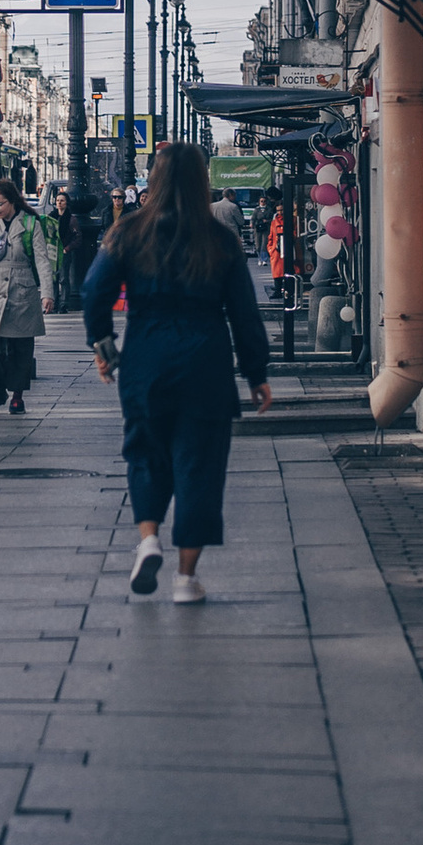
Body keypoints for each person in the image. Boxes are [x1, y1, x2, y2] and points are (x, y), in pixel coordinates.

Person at [81, 139, 272, 603]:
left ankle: (148, 539)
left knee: (145, 452)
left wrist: (104, 347)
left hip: (146, 358)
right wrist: (256, 372)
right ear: (201, 181)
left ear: (155, 180)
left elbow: (93, 291)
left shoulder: (128, 231)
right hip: (205, 360)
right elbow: (244, 313)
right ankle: (186, 579)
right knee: (199, 466)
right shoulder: (220, 239)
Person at [0, 178, 49, 415]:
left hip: (21, 288)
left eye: (0, 204)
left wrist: (47, 294)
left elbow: (42, 260)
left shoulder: (30, 223)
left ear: (12, 201)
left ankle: (17, 395)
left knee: (21, 347)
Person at [47, 177, 104, 313]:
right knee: (53, 278)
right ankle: (54, 303)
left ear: (67, 203)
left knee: (63, 278)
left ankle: (63, 304)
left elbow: (77, 237)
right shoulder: (51, 216)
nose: (59, 203)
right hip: (53, 251)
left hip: (64, 251)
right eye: (57, 201)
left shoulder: (71, 219)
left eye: (62, 201)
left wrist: (67, 248)